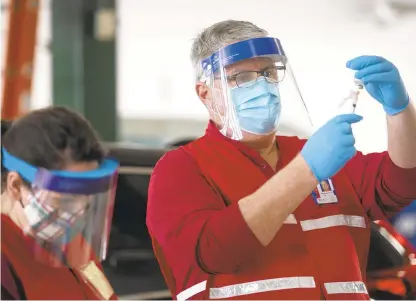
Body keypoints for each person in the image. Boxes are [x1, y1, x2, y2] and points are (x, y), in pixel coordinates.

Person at [146, 20, 416, 300]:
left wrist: (400, 110)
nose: (261, 85)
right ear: (205, 94)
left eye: (268, 72)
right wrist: (305, 171)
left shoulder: (318, 152)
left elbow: (402, 184)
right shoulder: (181, 168)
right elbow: (215, 251)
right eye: (241, 77)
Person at [1, 107, 119, 300]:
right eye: (66, 198)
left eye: (87, 198)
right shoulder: (5, 257)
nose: (79, 211)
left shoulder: (71, 244)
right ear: (15, 186)